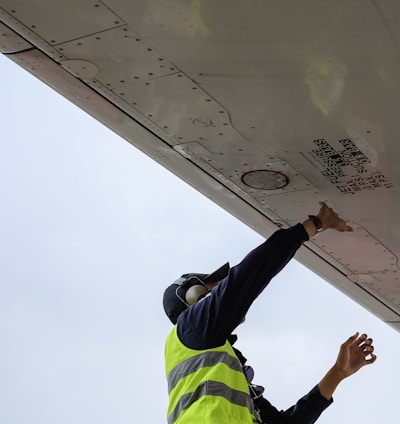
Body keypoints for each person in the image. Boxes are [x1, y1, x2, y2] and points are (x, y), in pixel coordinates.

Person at [163, 202, 377, 424]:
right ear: (192, 297)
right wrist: (314, 224)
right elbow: (250, 274)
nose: (221, 287)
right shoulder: (191, 326)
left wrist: (338, 373)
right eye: (215, 286)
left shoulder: (218, 365)